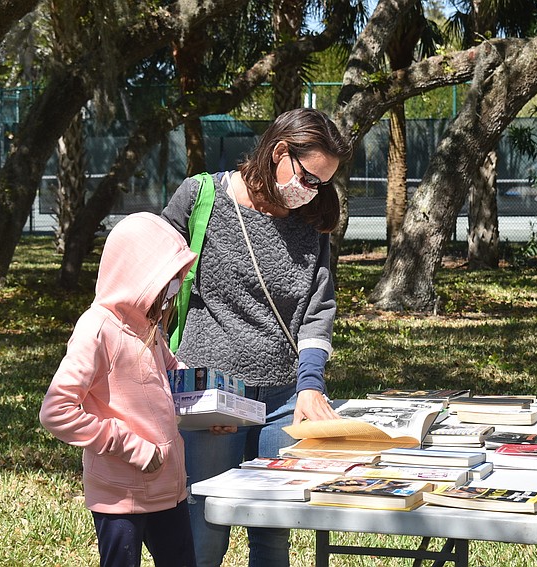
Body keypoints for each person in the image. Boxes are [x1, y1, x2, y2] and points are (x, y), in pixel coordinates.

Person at [160, 108, 352, 567]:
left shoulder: (313, 220)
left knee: (272, 533)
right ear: (280, 151)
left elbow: (316, 310)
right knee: (205, 530)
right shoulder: (201, 196)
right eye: (308, 177)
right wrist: (174, 376)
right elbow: (150, 284)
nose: (312, 191)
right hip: (210, 395)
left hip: (285, 397)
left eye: (323, 183)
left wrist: (310, 385)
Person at [39, 212, 199, 567]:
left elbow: (171, 372)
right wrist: (128, 445)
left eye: (176, 279)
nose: (172, 288)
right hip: (121, 493)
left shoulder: (147, 324)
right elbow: (56, 411)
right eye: (167, 279)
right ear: (136, 273)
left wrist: (213, 402)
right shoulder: (97, 329)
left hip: (167, 487)